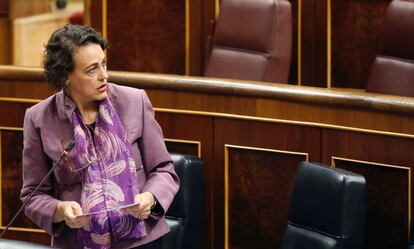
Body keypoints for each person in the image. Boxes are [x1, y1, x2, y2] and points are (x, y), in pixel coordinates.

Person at [20, 24, 180, 249]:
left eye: (104, 64)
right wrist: (61, 210)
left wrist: (150, 198)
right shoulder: (39, 118)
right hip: (77, 243)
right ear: (65, 76)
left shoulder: (135, 101)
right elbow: (32, 196)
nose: (104, 75)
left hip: (141, 240)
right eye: (92, 69)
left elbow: (164, 170)